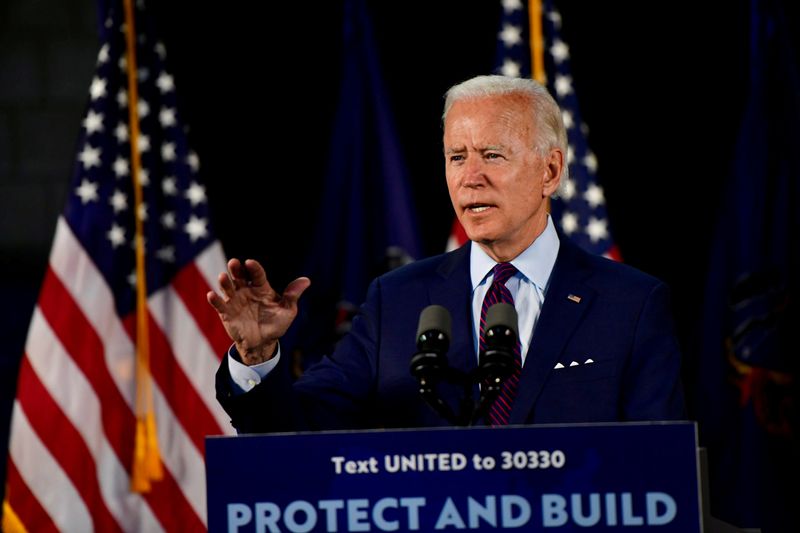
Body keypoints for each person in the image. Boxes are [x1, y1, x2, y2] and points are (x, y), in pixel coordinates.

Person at [208, 75, 685, 433]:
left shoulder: (631, 304)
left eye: (492, 155)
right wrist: (257, 353)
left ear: (550, 171)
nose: (469, 177)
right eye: (457, 156)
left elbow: (656, 468)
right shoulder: (397, 300)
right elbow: (297, 430)